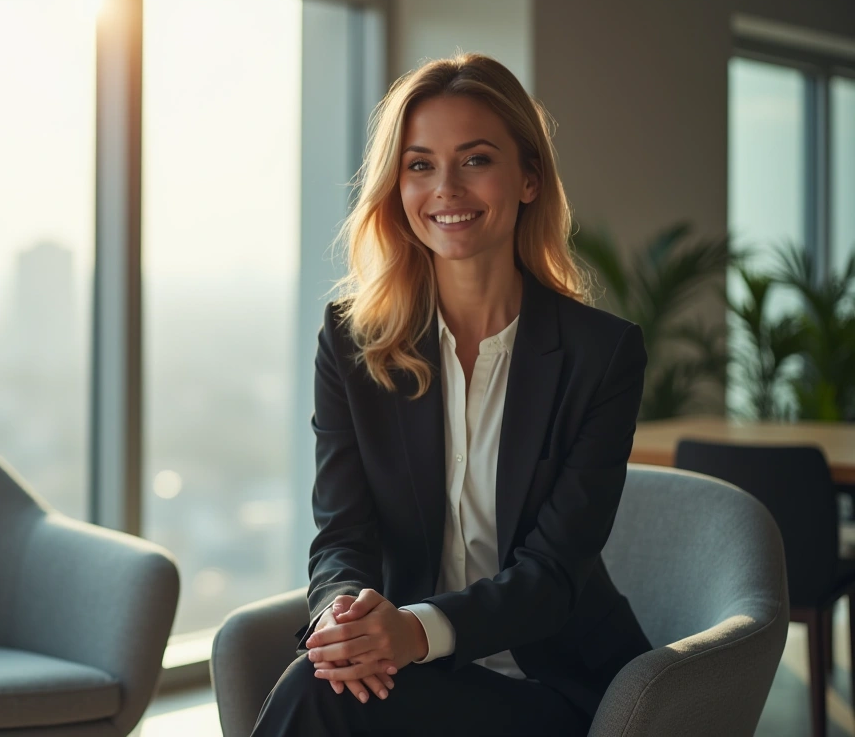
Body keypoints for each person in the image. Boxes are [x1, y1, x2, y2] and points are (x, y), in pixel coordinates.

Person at [250, 53, 652, 736]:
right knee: (323, 683)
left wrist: (414, 631)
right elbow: (343, 535)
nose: (446, 189)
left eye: (475, 160)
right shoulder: (353, 343)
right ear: (396, 187)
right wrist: (343, 617)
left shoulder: (600, 354)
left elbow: (553, 574)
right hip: (411, 674)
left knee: (315, 700)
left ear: (528, 178)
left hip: (555, 687)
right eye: (419, 164)